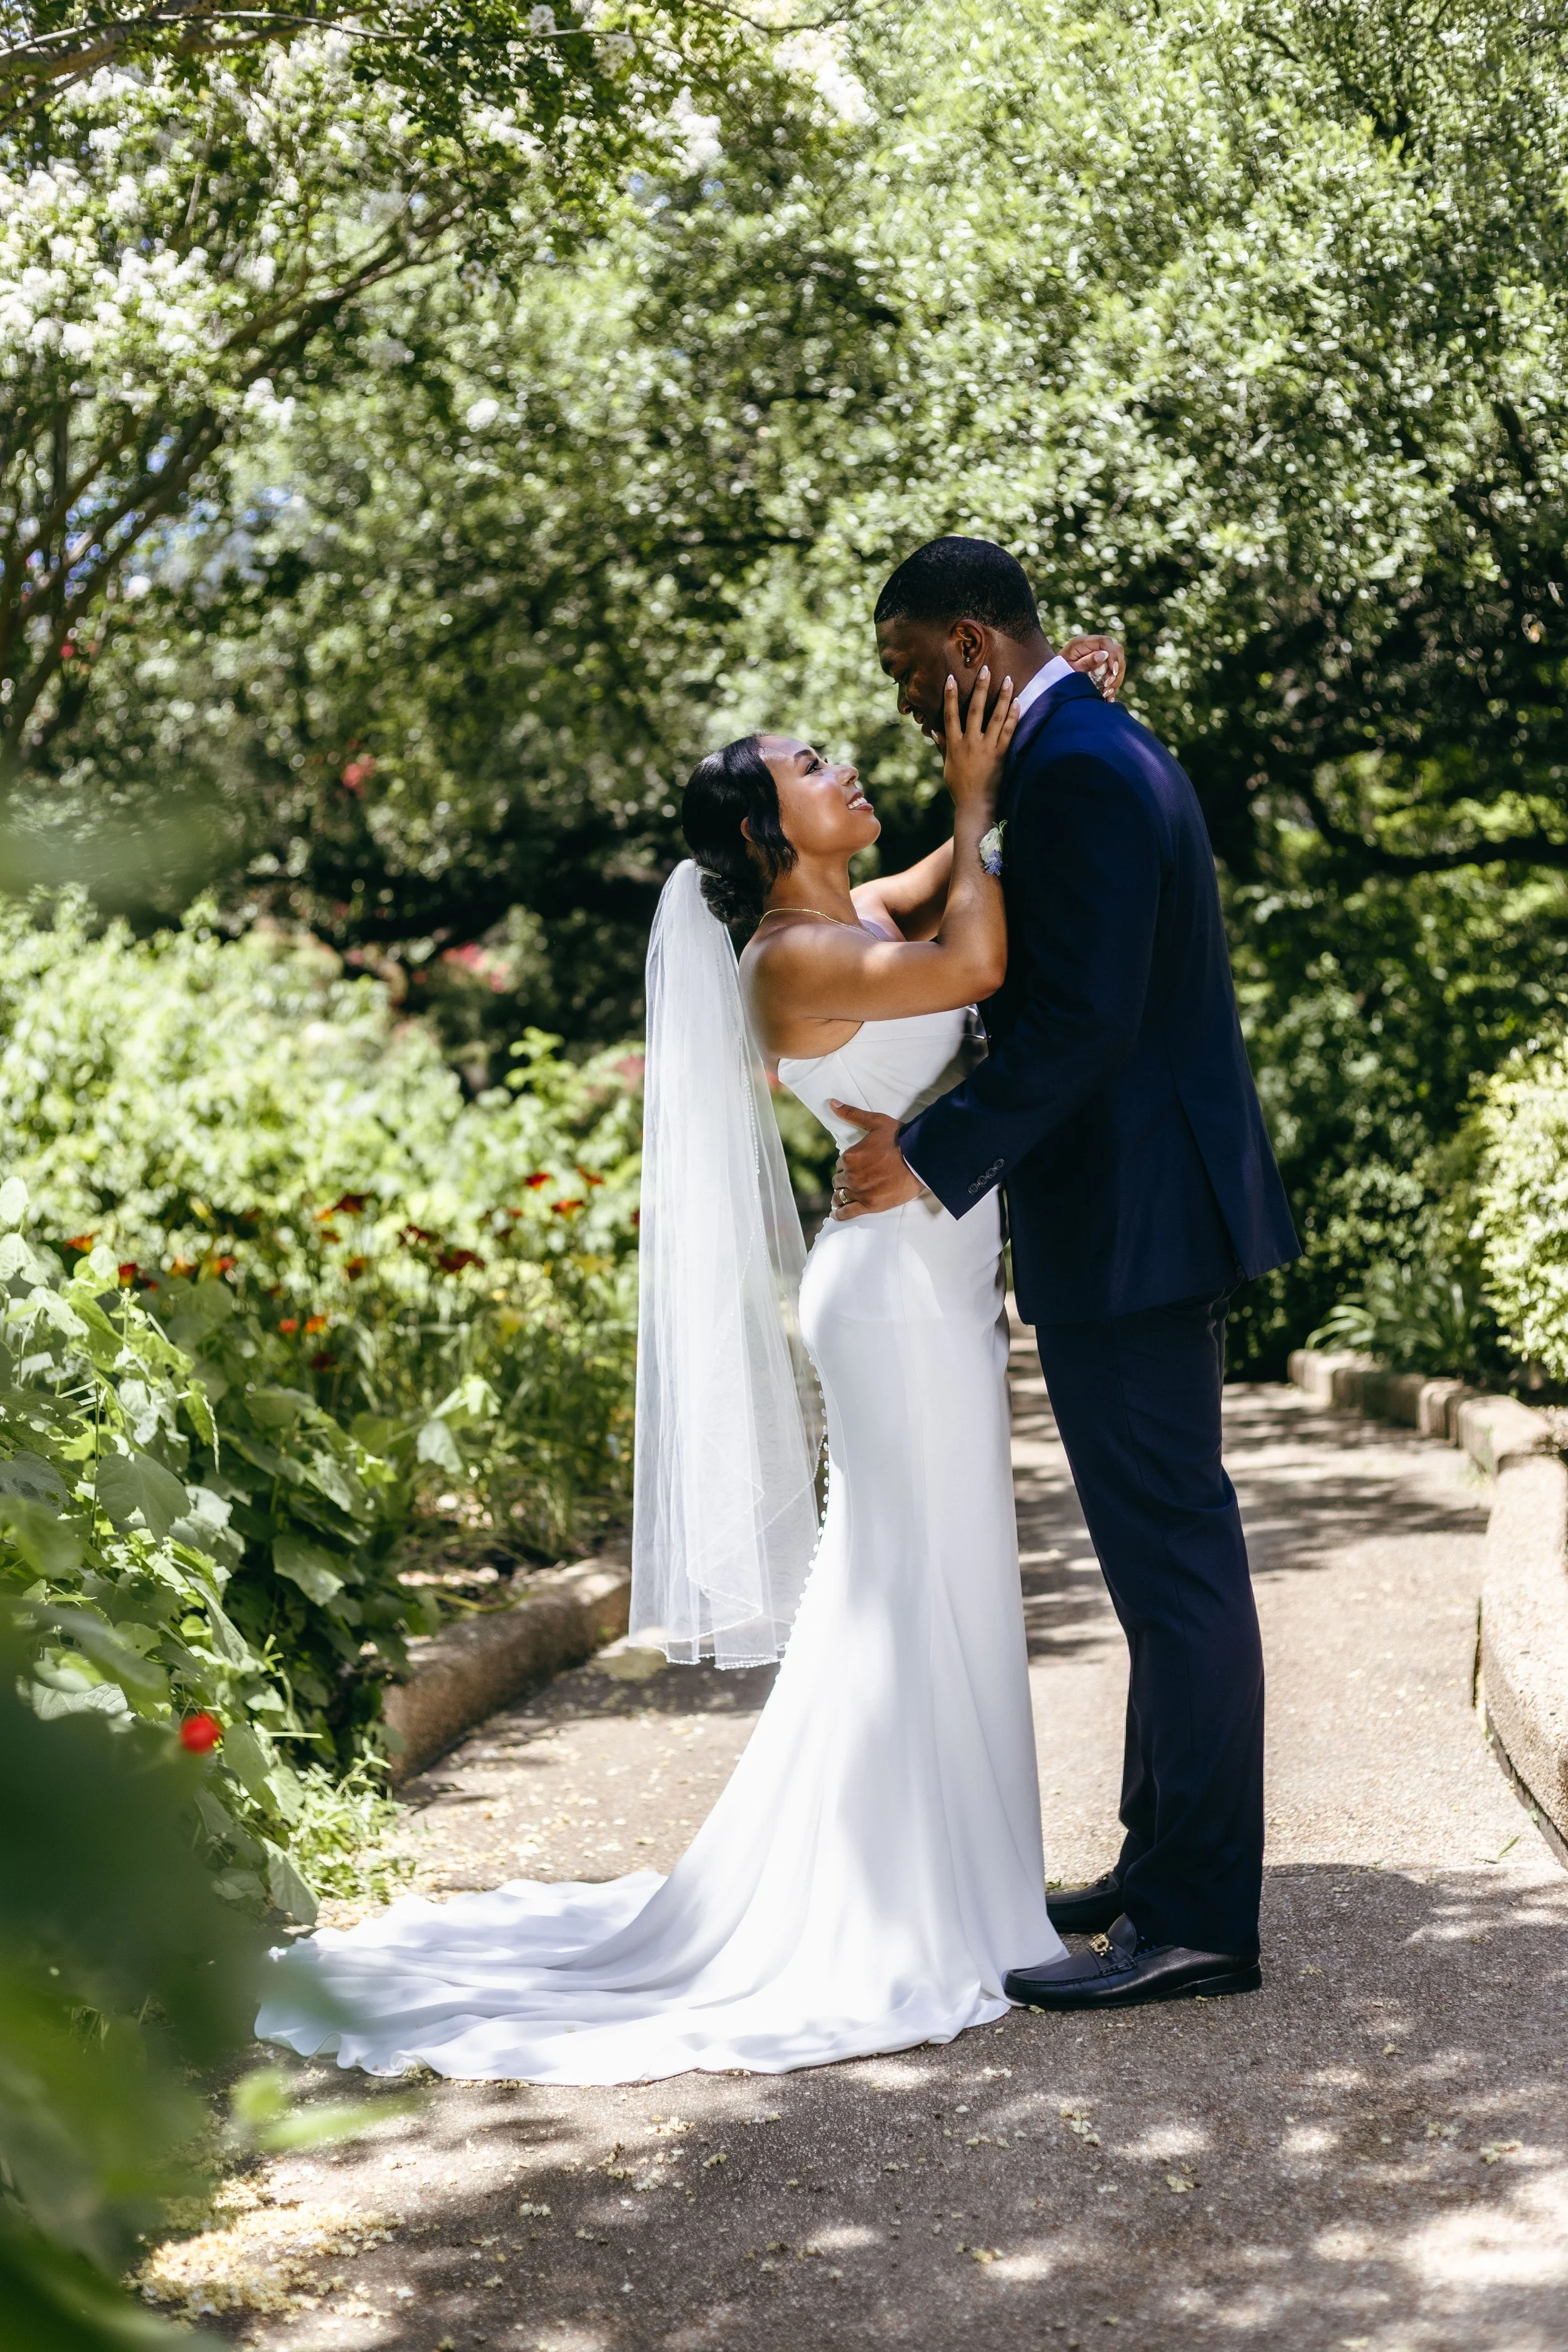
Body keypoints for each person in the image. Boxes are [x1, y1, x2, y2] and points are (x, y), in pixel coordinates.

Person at [255, 625, 1120, 2083]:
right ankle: (914, 1901)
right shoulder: (792, 959)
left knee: (938, 1580)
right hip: (894, 1304)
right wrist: (977, 792)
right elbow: (978, 954)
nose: (843, 770)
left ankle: (957, 1880)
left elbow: (943, 884)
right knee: (912, 1586)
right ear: (762, 831)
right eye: (809, 768)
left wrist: (1044, 719)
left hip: (929, 1288)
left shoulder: (853, 912)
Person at [836, 536, 1300, 2008]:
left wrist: (928, 1150)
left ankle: (1198, 1921)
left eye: (910, 666)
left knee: (1173, 1565)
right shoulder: (1074, 745)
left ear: (971, 643)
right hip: (1137, 1209)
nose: (903, 699)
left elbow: (1082, 1021)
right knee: (1160, 1561)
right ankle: (1157, 1864)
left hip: (1134, 1216)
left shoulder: (1082, 768)